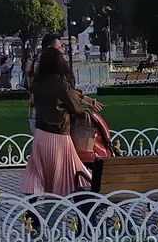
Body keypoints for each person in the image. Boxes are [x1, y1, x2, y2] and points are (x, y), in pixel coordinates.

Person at [21, 48, 102, 196]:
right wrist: (85, 112)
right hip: (59, 133)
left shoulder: (37, 83)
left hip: (41, 133)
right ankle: (71, 195)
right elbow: (75, 106)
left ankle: (34, 197)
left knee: (38, 168)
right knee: (67, 168)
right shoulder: (61, 84)